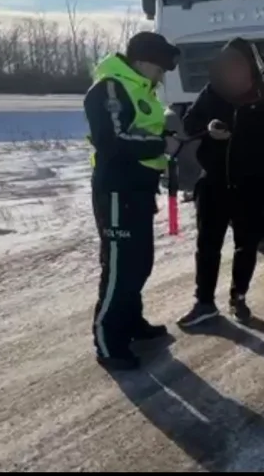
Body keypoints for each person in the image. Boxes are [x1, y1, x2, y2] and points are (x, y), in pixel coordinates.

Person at [177, 37, 264, 328]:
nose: (232, 71)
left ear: (252, 67)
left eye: (237, 65)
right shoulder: (211, 93)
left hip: (250, 185)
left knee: (247, 245)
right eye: (226, 65)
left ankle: (238, 297)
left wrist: (256, 157)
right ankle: (204, 302)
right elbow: (191, 124)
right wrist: (208, 129)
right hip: (213, 183)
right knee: (207, 245)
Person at [83, 31, 181, 371]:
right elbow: (112, 140)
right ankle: (108, 341)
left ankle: (131, 323)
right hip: (116, 190)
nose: (163, 74)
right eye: (160, 67)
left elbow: (144, 131)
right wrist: (160, 146)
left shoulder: (143, 90)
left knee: (139, 262)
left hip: (139, 190)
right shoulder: (109, 88)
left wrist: (165, 139)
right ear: (143, 62)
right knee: (119, 268)